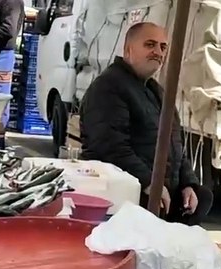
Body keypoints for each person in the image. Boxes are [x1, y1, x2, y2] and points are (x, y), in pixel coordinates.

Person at [79, 22, 211, 225]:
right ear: (128, 50)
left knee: (203, 197)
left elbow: (176, 145)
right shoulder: (108, 87)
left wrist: (188, 184)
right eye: (150, 45)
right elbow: (110, 147)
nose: (158, 52)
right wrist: (150, 183)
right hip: (129, 197)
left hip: (162, 194)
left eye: (163, 47)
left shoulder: (155, 90)